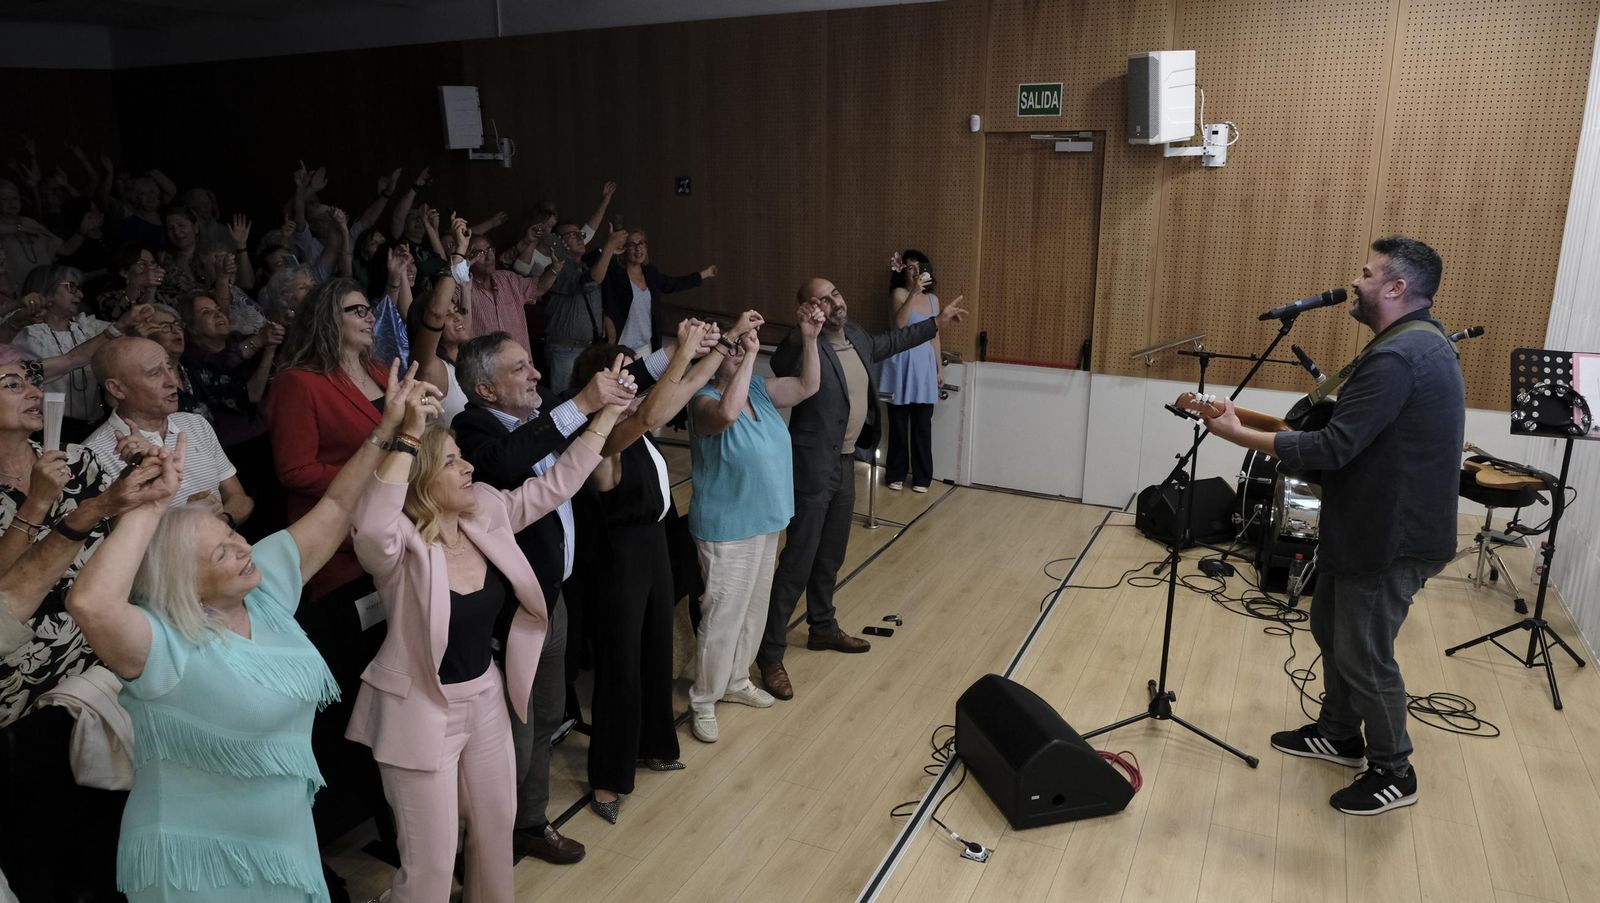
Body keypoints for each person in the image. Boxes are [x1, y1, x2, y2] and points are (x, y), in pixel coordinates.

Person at [64, 368, 424, 901]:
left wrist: (394, 430)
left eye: (232, 534)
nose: (241, 548)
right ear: (180, 580)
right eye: (219, 552)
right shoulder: (160, 644)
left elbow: (337, 506)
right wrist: (152, 505)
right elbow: (89, 603)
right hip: (192, 859)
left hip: (284, 835)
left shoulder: (264, 588)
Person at [1199, 235, 1464, 816]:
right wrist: (1250, 423)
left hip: (1392, 535)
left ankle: (1396, 770)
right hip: (1368, 522)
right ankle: (1341, 732)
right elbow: (1351, 435)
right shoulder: (1409, 343)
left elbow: (1336, 446)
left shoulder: (1399, 355)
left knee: (1366, 652)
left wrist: (1238, 435)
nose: (1357, 283)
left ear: (1396, 288)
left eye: (1367, 274)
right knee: (1330, 627)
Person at [345, 364, 623, 902]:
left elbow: (556, 484)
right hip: (421, 712)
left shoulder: (485, 511)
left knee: (496, 833)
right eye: (453, 462)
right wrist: (405, 434)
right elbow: (372, 526)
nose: (470, 466)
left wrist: (605, 417)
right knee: (429, 867)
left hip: (486, 698)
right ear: (422, 479)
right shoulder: (397, 544)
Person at [450, 332, 656, 862]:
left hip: (553, 599)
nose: (535, 374)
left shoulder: (537, 425)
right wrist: (586, 402)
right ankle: (484, 843)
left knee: (544, 718)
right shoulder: (471, 429)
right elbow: (505, 463)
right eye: (520, 369)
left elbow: (593, 440)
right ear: (484, 388)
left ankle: (530, 822)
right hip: (508, 612)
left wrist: (672, 358)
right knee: (511, 734)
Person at [757, 278, 967, 700]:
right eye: (820, 299)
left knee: (831, 553)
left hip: (847, 460)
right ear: (806, 308)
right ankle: (770, 652)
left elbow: (893, 340)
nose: (833, 302)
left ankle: (823, 627)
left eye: (835, 293)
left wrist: (936, 322)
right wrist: (804, 331)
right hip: (812, 465)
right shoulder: (805, 344)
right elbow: (782, 363)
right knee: (798, 559)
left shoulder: (855, 336)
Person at [571, 320, 740, 823]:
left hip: (653, 547)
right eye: (625, 378)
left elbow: (677, 391)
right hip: (619, 557)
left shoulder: (638, 430)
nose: (634, 386)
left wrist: (720, 347)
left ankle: (652, 745)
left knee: (654, 653)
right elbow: (653, 410)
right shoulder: (608, 435)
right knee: (620, 666)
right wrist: (684, 352)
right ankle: (607, 778)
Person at [685, 306, 822, 742]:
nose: (741, 351)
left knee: (753, 608)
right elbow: (726, 414)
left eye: (742, 347)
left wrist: (811, 338)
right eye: (731, 348)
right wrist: (745, 357)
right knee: (722, 616)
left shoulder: (760, 390)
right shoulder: (701, 398)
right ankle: (703, 698)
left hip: (766, 520)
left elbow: (807, 386)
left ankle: (737, 680)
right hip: (727, 526)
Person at [265, 277, 391, 600]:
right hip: (342, 546)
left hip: (392, 523)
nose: (370, 317)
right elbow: (296, 470)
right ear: (328, 319)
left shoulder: (379, 369)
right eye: (357, 310)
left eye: (369, 309)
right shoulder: (297, 383)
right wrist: (377, 478)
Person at [82, 337, 255, 526]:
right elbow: (105, 545)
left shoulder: (196, 424)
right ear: (117, 389)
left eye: (170, 367)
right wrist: (185, 523)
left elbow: (240, 498)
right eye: (155, 373)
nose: (172, 381)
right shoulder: (92, 455)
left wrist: (220, 520)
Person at [15, 263, 152, 442]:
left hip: (94, 426)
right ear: (46, 290)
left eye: (79, 289)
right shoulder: (28, 335)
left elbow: (131, 326)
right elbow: (70, 361)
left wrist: (147, 290)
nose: (80, 295)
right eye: (72, 287)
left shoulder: (86, 327)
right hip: (47, 430)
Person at [881, 250, 960, 492]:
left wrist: (939, 368)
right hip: (901, 362)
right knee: (898, 422)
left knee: (922, 424)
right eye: (909, 267)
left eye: (918, 267)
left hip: (924, 364)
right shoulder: (899, 293)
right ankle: (895, 473)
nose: (914, 272)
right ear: (902, 270)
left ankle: (922, 477)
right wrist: (913, 293)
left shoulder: (934, 300)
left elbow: (935, 336)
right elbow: (900, 324)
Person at [592, 228, 717, 356]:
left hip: (645, 347)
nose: (638, 248)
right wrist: (609, 247)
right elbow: (592, 267)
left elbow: (673, 284)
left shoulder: (651, 273)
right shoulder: (614, 274)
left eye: (641, 243)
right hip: (620, 348)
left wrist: (704, 274)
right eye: (632, 245)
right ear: (623, 249)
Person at [540, 225, 607, 394]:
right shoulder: (556, 270)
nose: (580, 238)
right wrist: (610, 248)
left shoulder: (584, 267)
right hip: (565, 350)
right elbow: (589, 281)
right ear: (559, 242)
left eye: (581, 234)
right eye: (572, 235)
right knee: (564, 405)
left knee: (588, 403)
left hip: (590, 349)